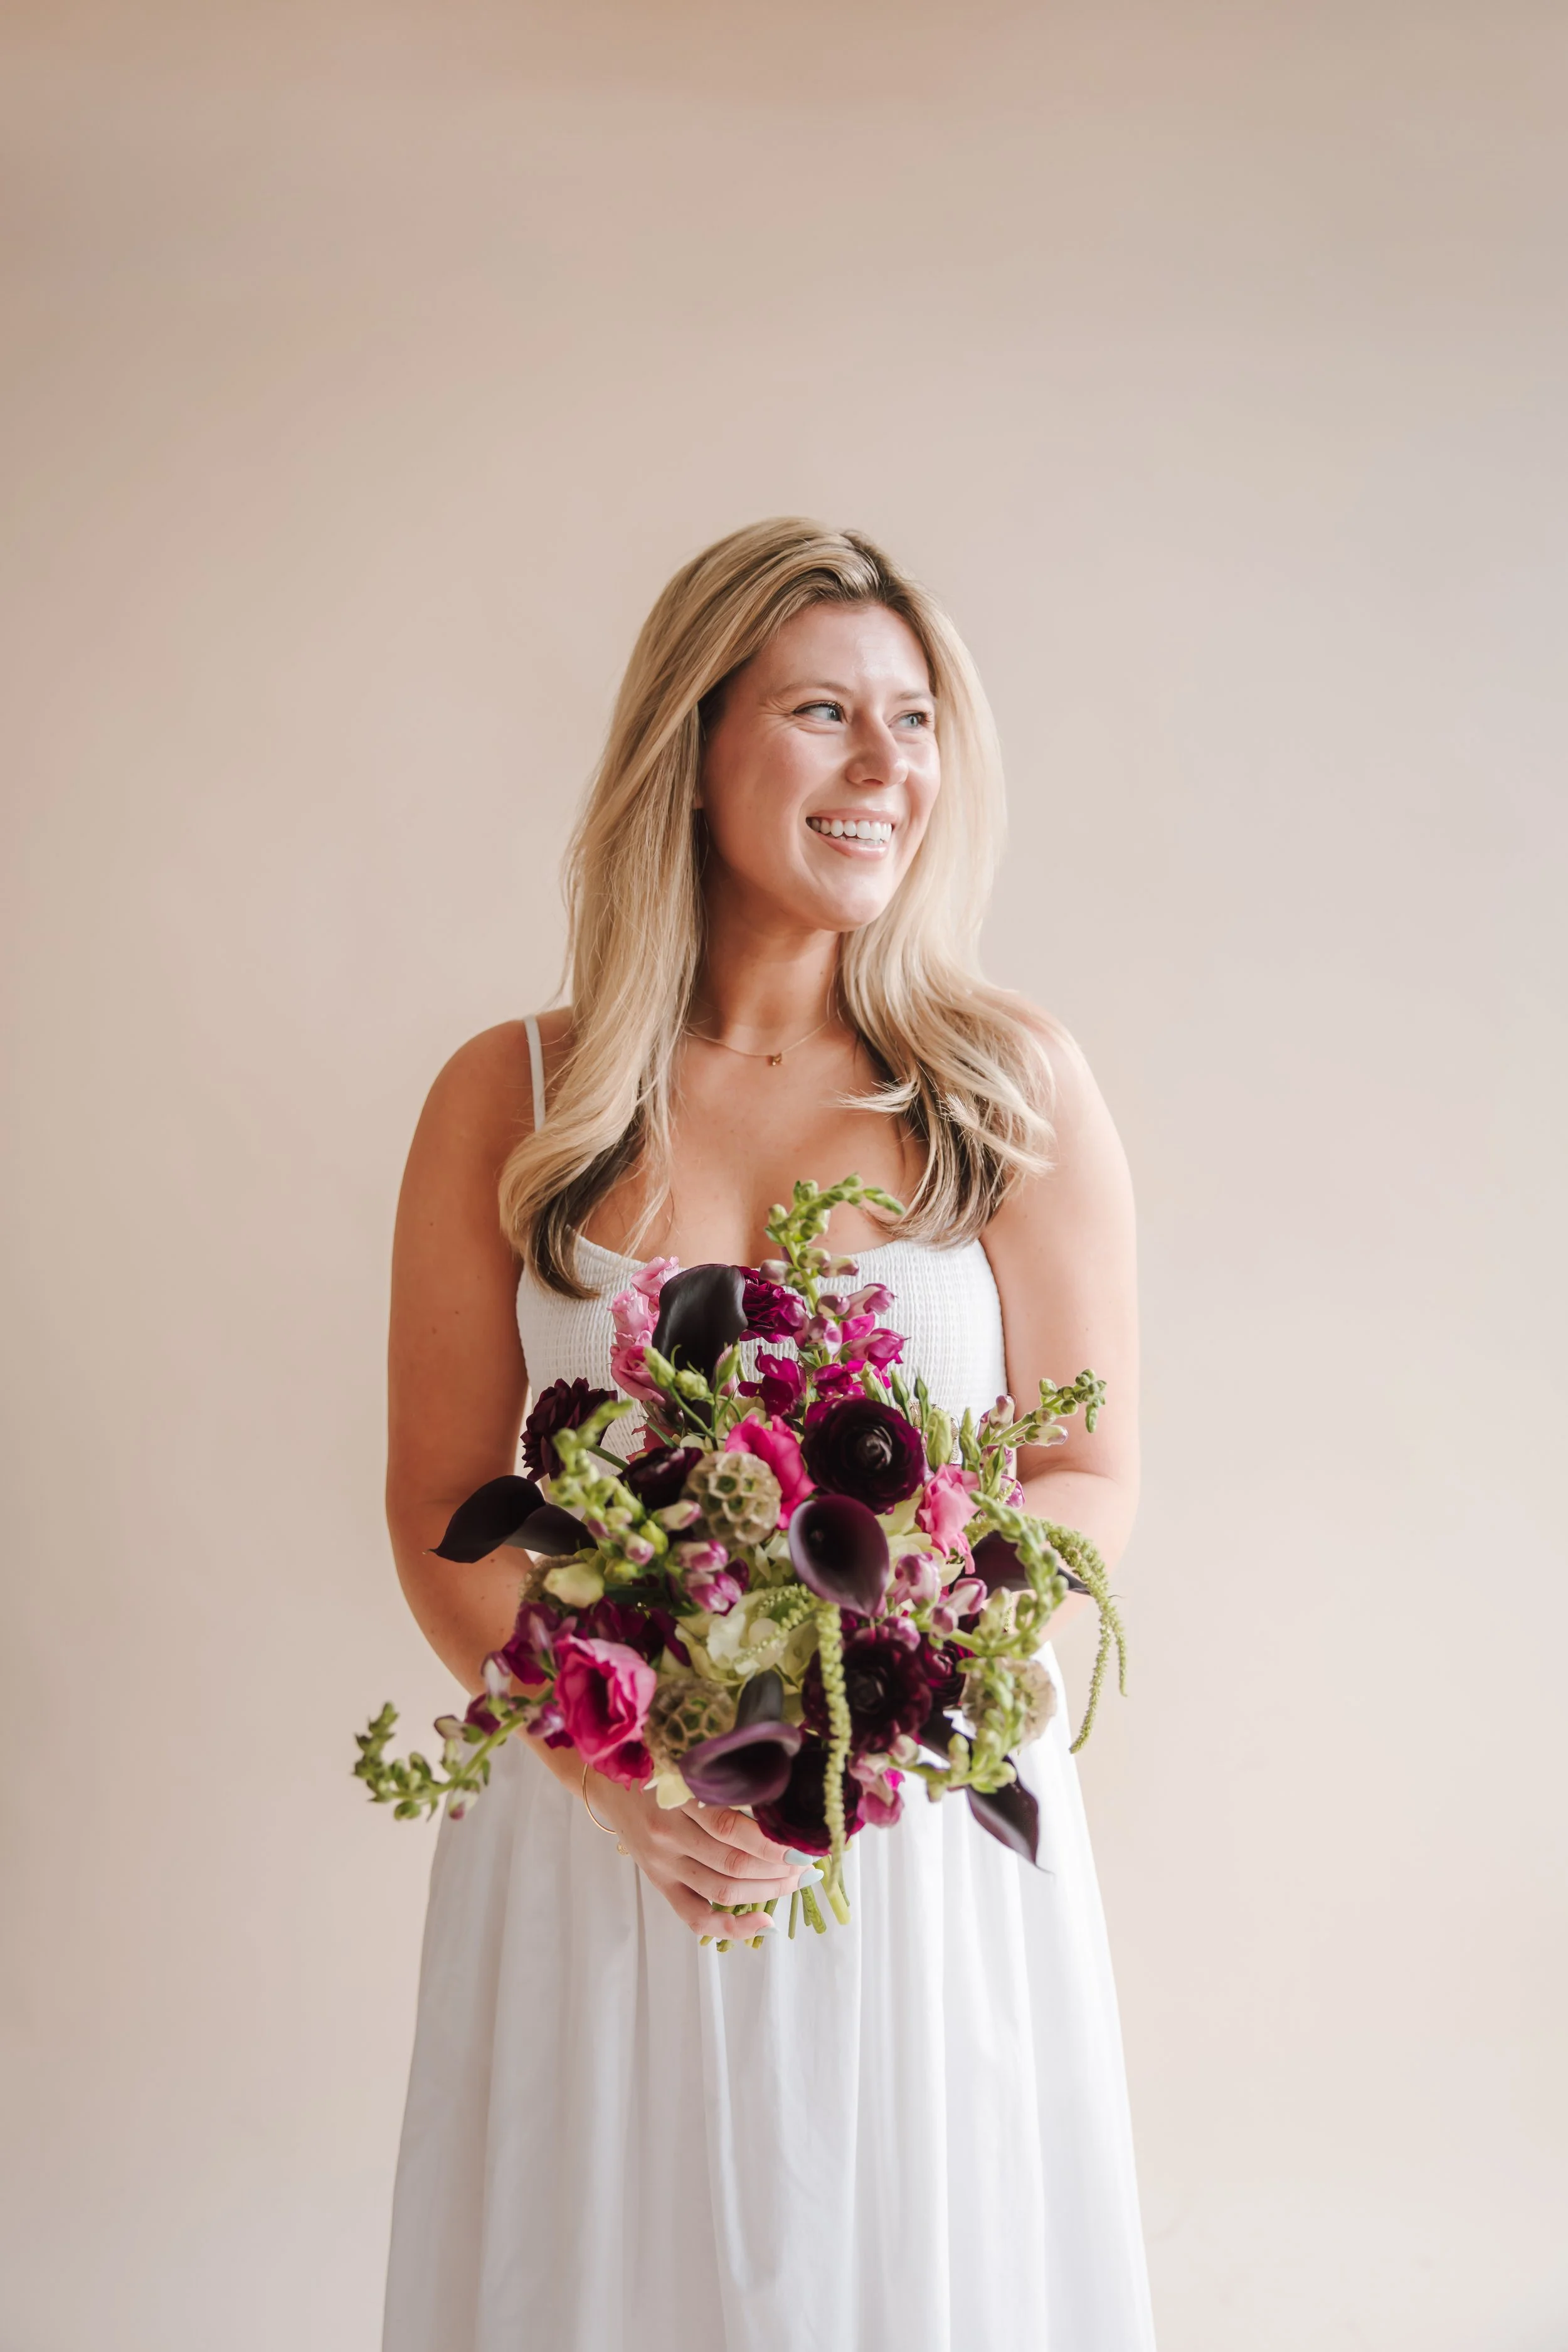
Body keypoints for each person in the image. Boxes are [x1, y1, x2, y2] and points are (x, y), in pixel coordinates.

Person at [381, 519, 1156, 2351]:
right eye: (826, 712)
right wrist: (627, 1784)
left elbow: (1083, 1470)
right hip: (603, 1849)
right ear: (696, 738)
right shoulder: (514, 1093)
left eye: (915, 719)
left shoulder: (1001, 1087)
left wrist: (872, 1739)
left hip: (911, 1849)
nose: (888, 767)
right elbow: (439, 1500)